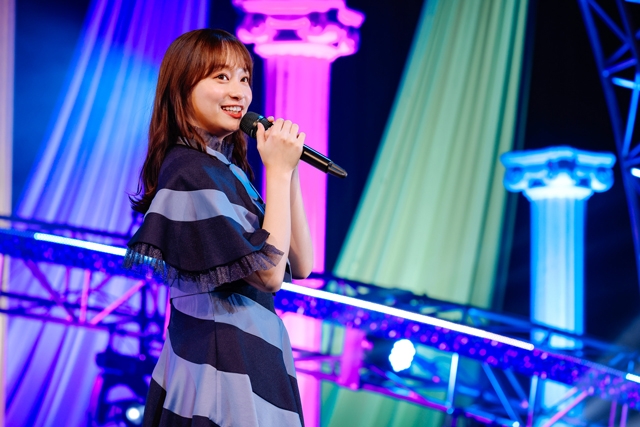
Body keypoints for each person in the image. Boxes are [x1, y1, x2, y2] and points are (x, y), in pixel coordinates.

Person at [125, 28, 313, 427]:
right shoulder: (189, 170)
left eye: (244, 78)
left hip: (250, 352)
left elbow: (302, 264)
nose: (239, 92)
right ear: (182, 88)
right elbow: (269, 275)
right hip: (221, 361)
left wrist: (289, 169)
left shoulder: (225, 169)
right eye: (221, 77)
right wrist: (277, 173)